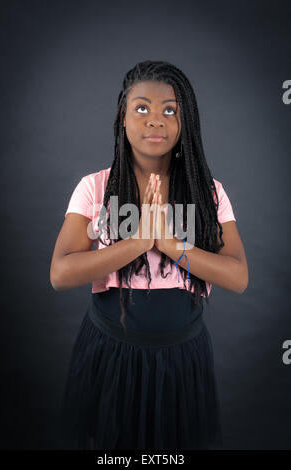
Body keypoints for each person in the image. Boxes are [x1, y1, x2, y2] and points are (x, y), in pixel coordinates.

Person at [50, 60, 248, 450]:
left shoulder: (208, 193)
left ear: (184, 121)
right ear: (122, 118)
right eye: (142, 108)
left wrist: (170, 244)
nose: (155, 119)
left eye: (169, 110)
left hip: (182, 357)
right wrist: (138, 243)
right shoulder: (94, 188)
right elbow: (60, 273)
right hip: (110, 352)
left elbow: (238, 277)